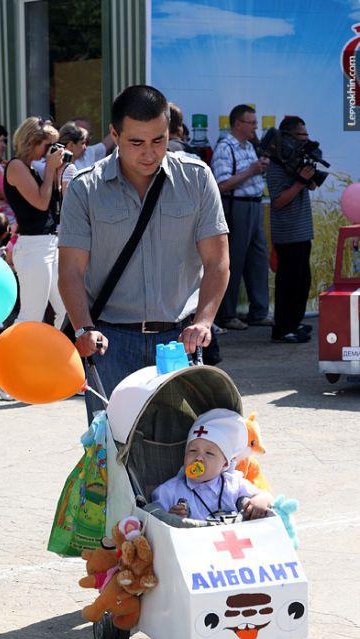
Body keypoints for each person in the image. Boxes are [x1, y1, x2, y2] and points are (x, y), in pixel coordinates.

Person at [58, 85, 229, 417]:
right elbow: (70, 271)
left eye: (159, 140)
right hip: (109, 343)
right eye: (136, 142)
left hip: (181, 340)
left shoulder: (196, 178)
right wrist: (83, 328)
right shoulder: (85, 188)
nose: (149, 153)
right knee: (113, 452)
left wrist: (204, 322)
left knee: (184, 453)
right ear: (114, 134)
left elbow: (217, 261)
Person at [150, 409, 274, 522]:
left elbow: (265, 495)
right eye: (192, 451)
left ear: (225, 464)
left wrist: (261, 500)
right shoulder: (170, 490)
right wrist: (170, 516)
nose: (198, 458)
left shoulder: (234, 484)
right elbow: (153, 515)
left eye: (209, 453)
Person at [211, 104, 272, 330]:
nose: (256, 126)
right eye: (252, 122)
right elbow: (221, 184)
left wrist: (258, 169)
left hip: (254, 206)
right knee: (233, 261)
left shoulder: (249, 146)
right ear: (238, 124)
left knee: (258, 260)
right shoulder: (226, 147)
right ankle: (228, 314)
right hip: (236, 207)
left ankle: (259, 311)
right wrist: (252, 171)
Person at [3, 116, 66, 328]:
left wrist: (55, 171)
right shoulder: (16, 166)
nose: (50, 151)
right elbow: (40, 203)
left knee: (66, 312)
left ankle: (55, 357)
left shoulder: (31, 169)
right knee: (31, 316)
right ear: (32, 141)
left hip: (48, 244)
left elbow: (52, 203)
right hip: (33, 247)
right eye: (48, 146)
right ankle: (7, 360)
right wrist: (49, 169)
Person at [266, 116, 317, 344]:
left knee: (302, 281)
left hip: (302, 230)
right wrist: (299, 182)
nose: (305, 139)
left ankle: (294, 322)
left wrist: (309, 177)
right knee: (288, 283)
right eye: (301, 136)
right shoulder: (276, 165)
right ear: (288, 136)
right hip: (288, 234)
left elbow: (313, 185)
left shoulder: (296, 161)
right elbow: (278, 201)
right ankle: (283, 328)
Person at [57, 122, 88, 195]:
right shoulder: (69, 169)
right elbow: (70, 201)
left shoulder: (56, 165)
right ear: (71, 145)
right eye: (82, 143)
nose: (85, 147)